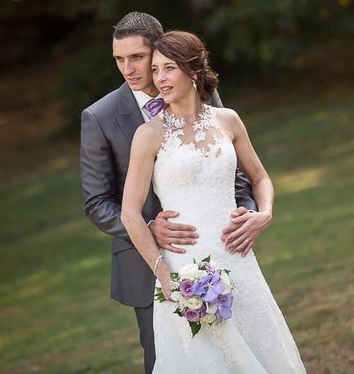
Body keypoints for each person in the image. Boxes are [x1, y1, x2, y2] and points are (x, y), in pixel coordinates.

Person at [80, 13, 258, 374]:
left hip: (221, 249)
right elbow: (97, 202)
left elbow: (231, 166)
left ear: (160, 50)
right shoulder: (99, 117)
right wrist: (148, 226)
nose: (127, 69)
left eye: (136, 58)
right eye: (118, 59)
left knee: (241, 351)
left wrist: (247, 213)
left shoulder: (199, 91)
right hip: (147, 267)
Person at [121, 31, 307, 372]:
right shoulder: (149, 135)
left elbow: (260, 178)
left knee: (261, 347)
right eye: (156, 69)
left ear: (193, 71)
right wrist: (163, 274)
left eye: (169, 68)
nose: (160, 78)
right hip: (185, 270)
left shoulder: (228, 120)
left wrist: (263, 214)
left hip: (237, 256)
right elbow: (130, 213)